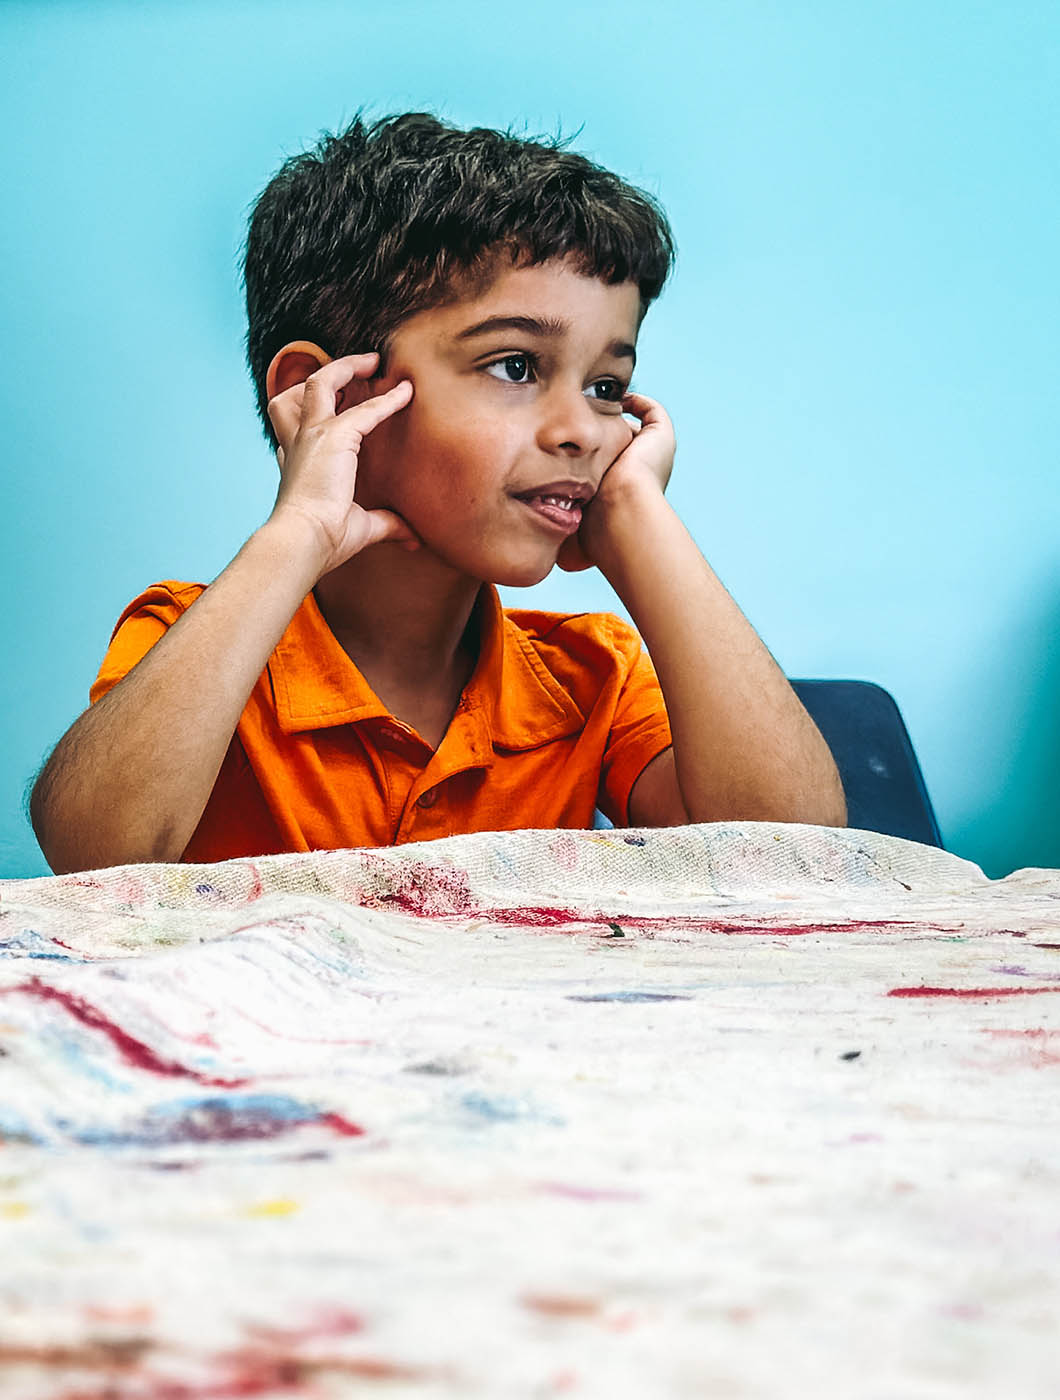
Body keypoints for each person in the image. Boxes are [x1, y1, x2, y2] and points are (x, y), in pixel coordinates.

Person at [30, 112, 846, 874]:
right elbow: (93, 854)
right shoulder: (189, 640)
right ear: (337, 397)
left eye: (607, 385)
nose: (585, 431)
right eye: (517, 366)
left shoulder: (591, 676)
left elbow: (797, 858)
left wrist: (638, 513)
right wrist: (300, 527)